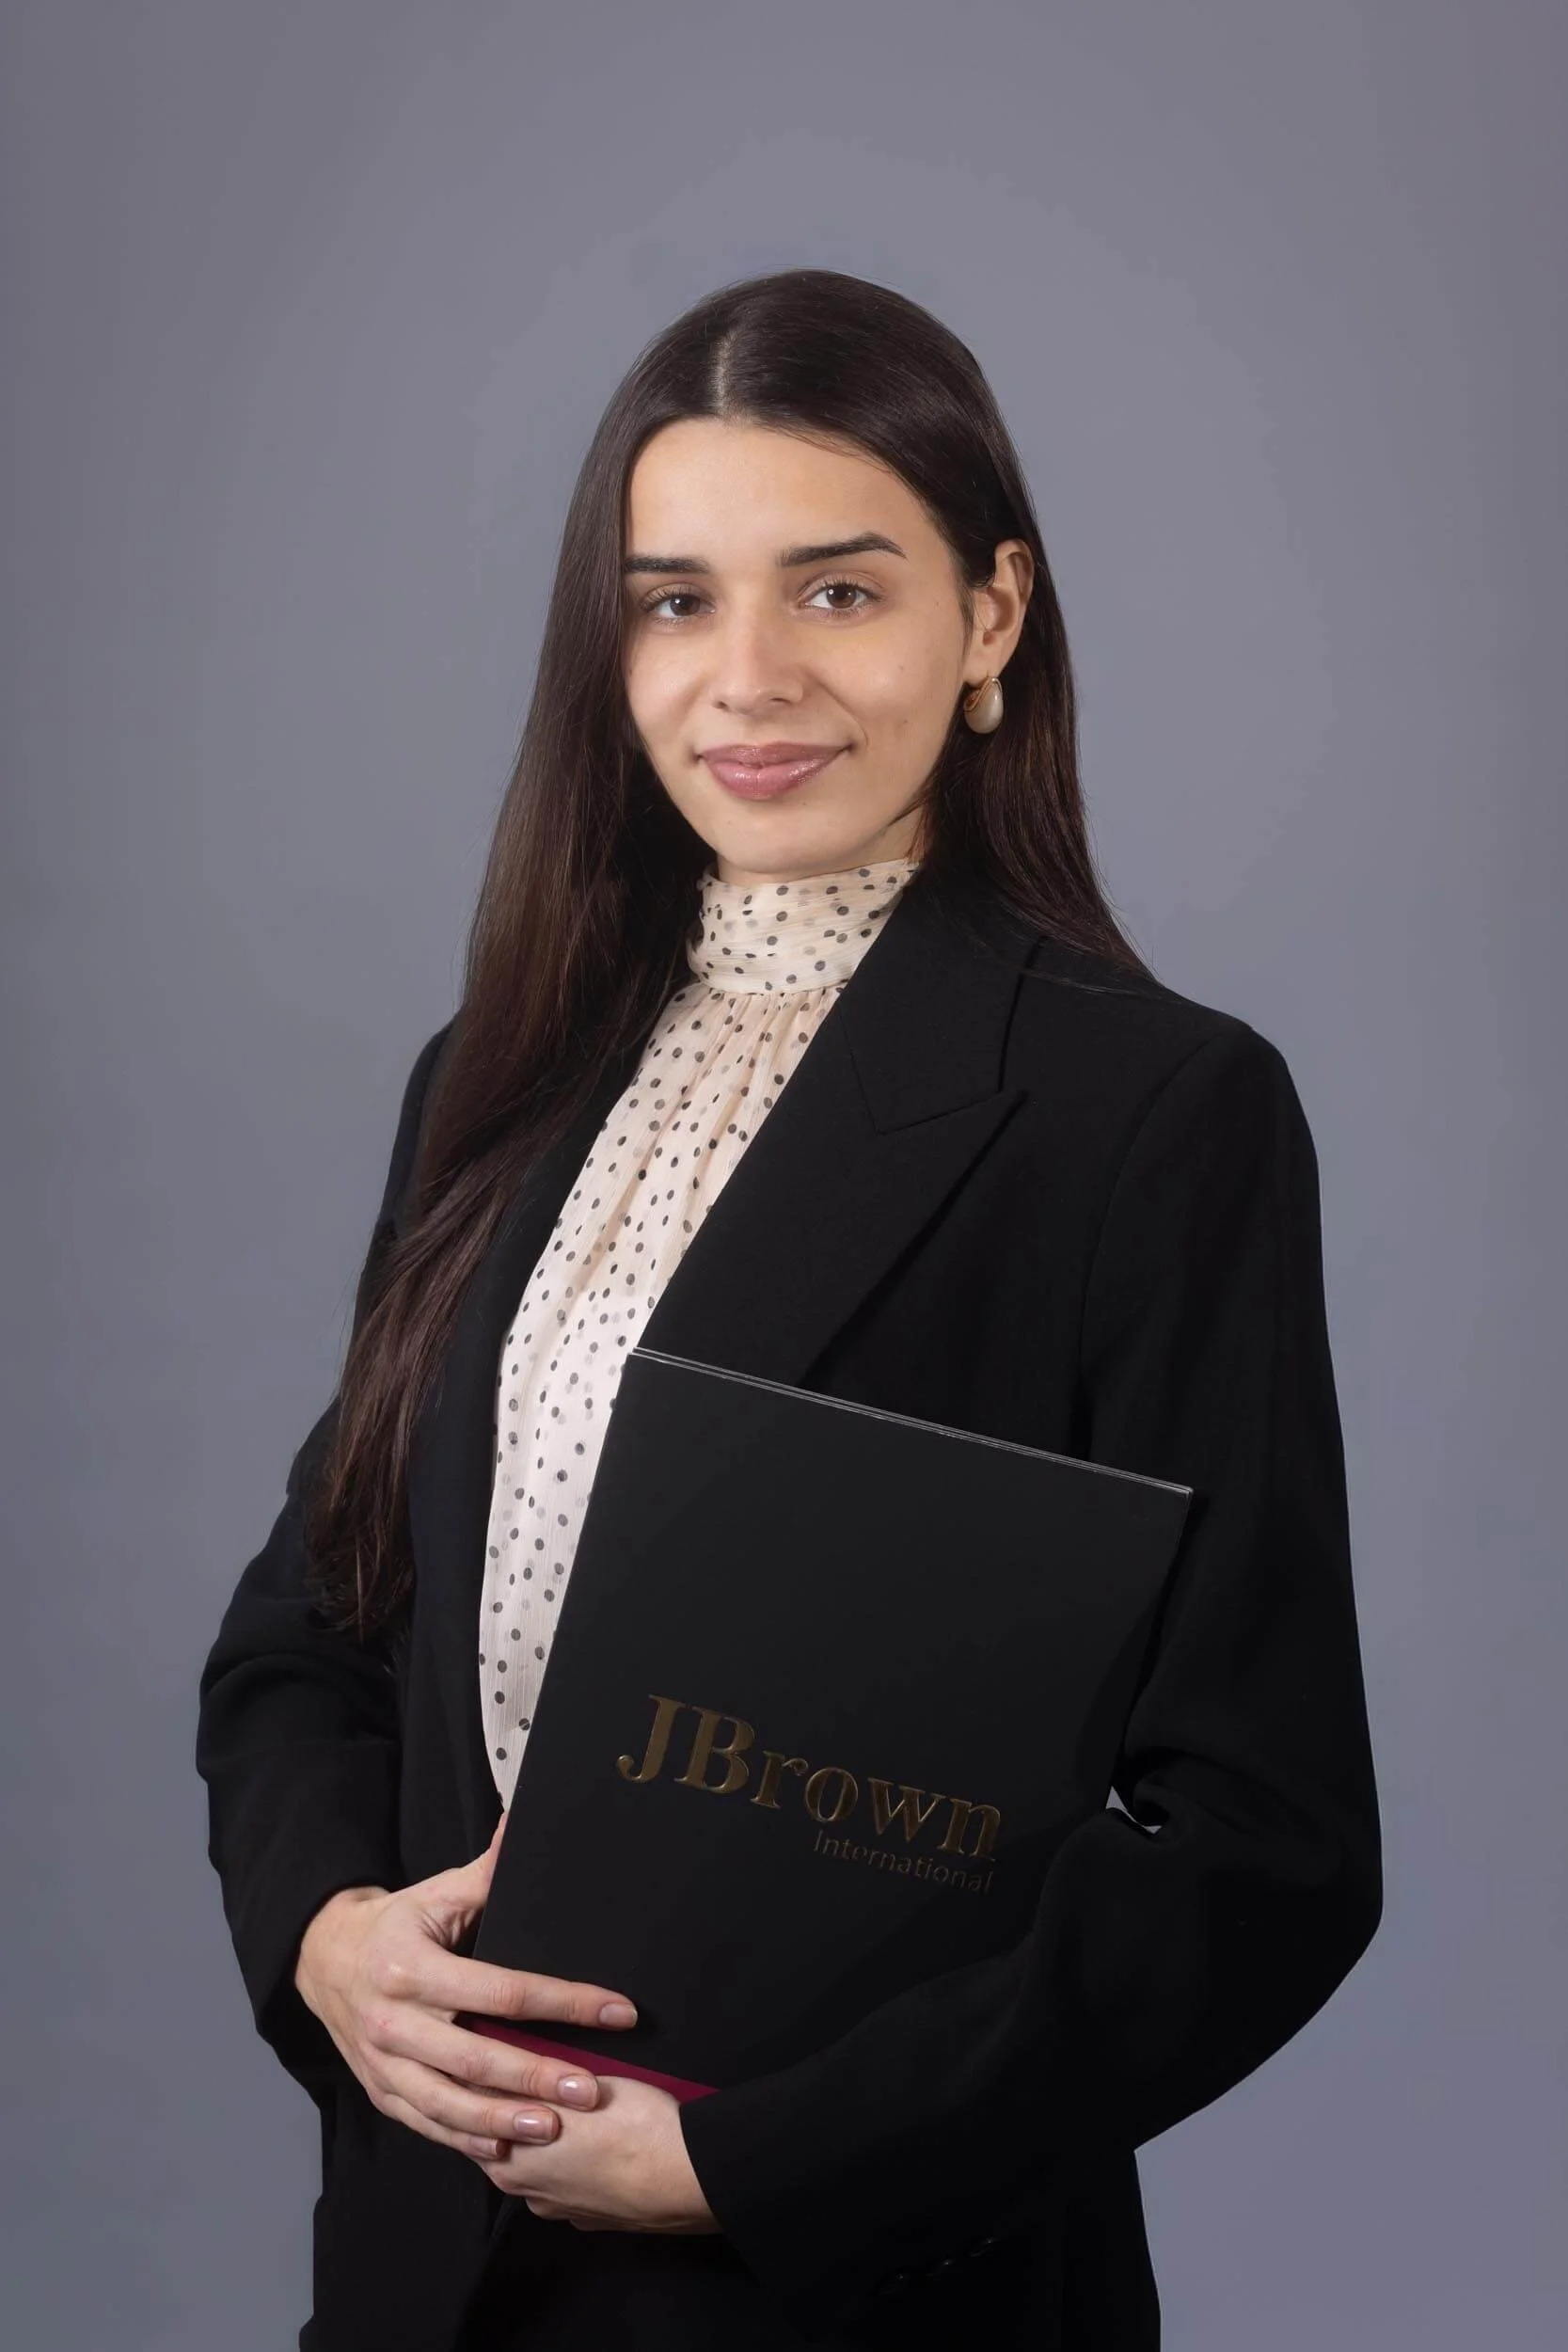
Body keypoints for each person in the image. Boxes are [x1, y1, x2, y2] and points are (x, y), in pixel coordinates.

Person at [196, 266, 1383, 2352]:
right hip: (424, 2273)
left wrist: (758, 2160)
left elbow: (1263, 1846)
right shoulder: (497, 1071)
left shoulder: (1155, 1112)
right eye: (671, 601)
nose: (743, 678)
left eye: (835, 592)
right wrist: (327, 1940)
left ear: (988, 616)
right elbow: (309, 1630)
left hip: (847, 2286)